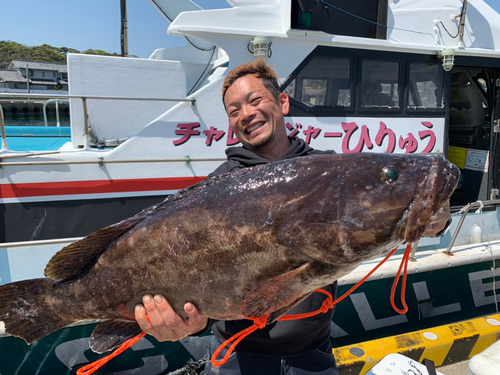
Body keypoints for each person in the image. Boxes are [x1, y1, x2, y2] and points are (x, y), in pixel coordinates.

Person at [135, 59, 451, 374]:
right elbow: (195, 293)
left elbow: (378, 218)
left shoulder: (331, 170)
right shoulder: (218, 187)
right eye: (234, 111)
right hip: (235, 359)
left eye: (255, 100)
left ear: (282, 102)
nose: (246, 113)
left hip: (312, 355)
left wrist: (435, 221)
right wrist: (188, 323)